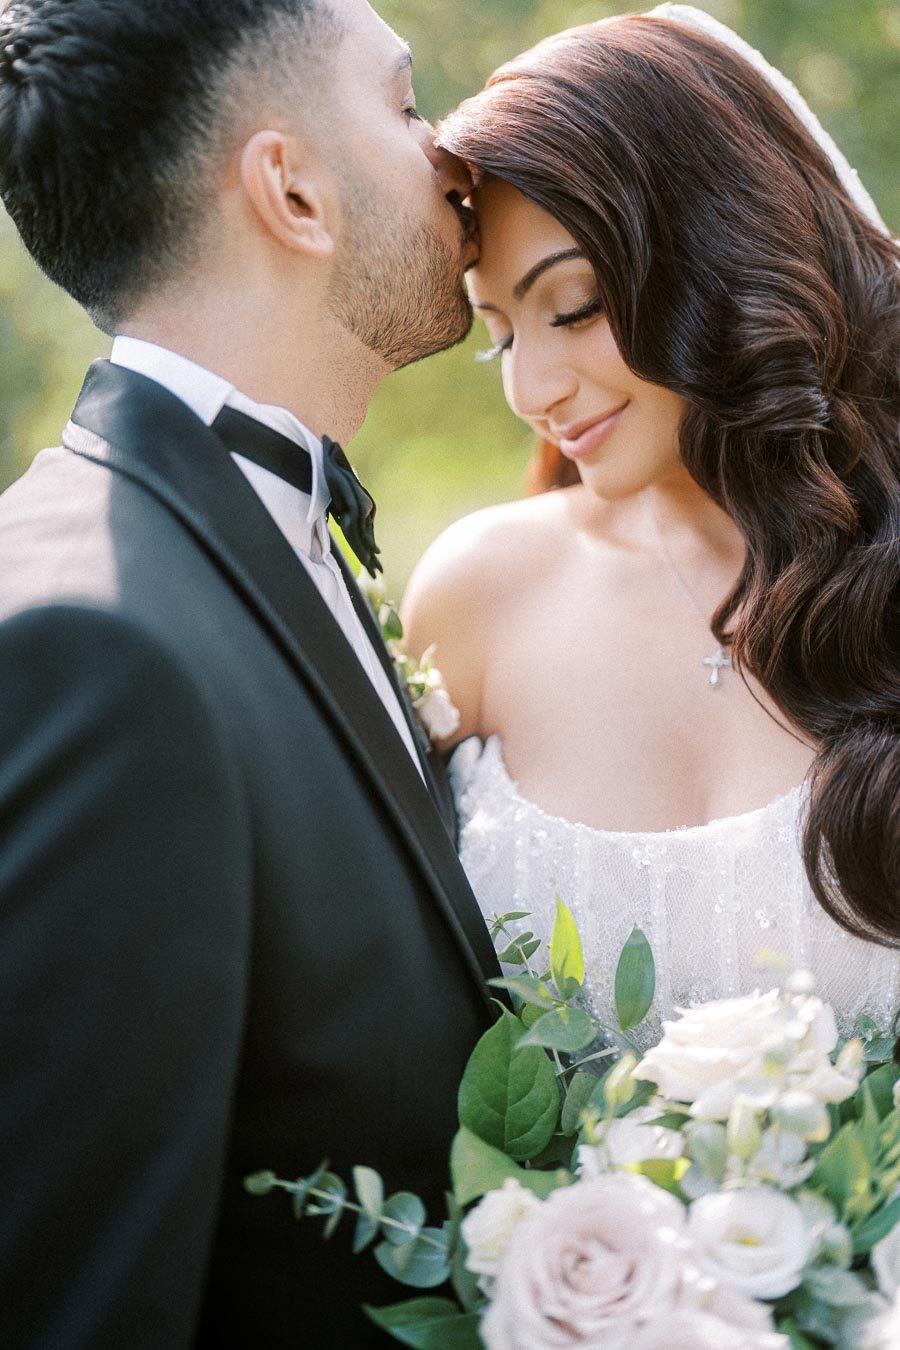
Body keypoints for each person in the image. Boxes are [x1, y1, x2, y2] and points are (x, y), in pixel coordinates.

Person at [0, 1, 502, 1345]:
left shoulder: (266, 542)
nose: (454, 151)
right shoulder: (89, 645)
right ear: (290, 188)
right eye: (403, 105)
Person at [403, 5, 900, 1046]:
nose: (535, 388)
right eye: (499, 338)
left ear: (720, 245)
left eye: (574, 306)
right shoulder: (480, 597)